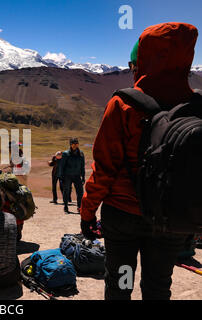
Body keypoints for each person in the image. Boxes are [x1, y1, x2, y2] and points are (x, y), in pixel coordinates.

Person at [80, 22, 198, 300]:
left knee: (120, 285)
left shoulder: (123, 105)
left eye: (134, 64)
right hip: (170, 218)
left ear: (141, 62)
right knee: (158, 287)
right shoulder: (197, 107)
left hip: (122, 216)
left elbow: (104, 169)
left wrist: (87, 213)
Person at [57, 138, 85, 213]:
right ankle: (66, 206)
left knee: (80, 192)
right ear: (70, 145)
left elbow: (82, 166)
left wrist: (83, 177)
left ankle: (79, 207)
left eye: (76, 143)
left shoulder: (81, 154)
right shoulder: (66, 154)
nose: (75, 145)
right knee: (66, 191)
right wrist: (61, 177)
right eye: (73, 143)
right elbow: (62, 166)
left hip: (77, 176)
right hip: (67, 176)